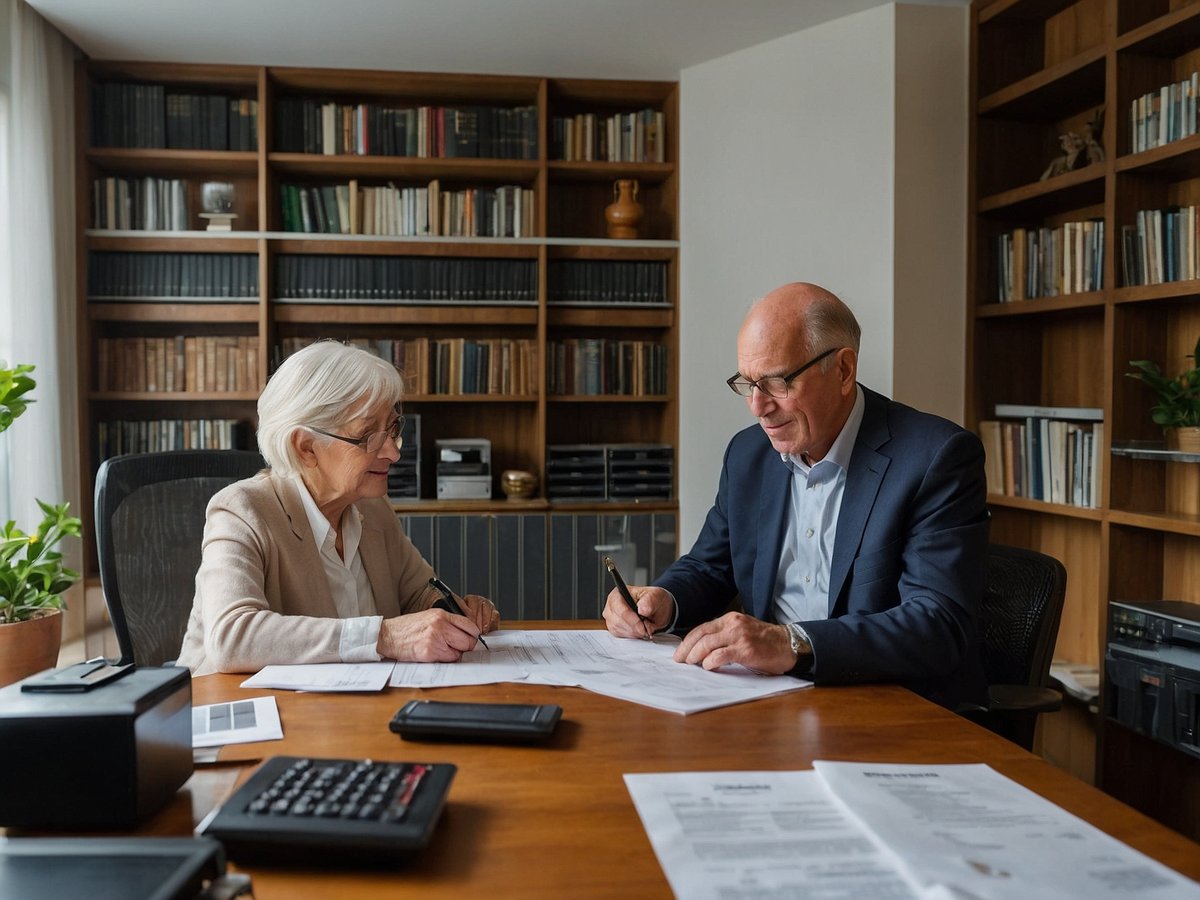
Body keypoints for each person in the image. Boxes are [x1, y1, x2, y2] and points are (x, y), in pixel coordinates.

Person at [602, 282, 989, 709]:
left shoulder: (935, 457)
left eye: (775, 382)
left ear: (843, 370)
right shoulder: (748, 454)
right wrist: (663, 600)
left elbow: (937, 623)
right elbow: (711, 567)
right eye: (747, 383)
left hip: (887, 704)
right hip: (766, 700)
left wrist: (791, 643)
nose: (757, 406)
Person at [177, 340, 499, 675]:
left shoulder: (373, 510)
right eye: (367, 436)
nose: (393, 452)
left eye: (391, 429)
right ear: (306, 448)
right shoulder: (242, 512)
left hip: (339, 712)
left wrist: (453, 613)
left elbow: (419, 592)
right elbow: (232, 638)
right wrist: (383, 636)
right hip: (246, 714)